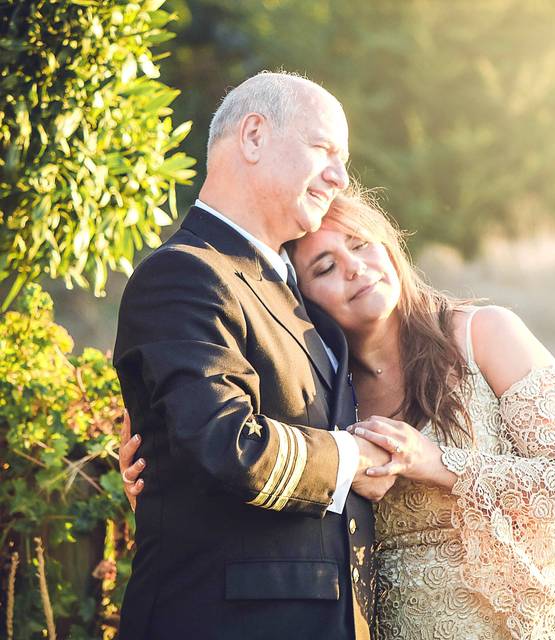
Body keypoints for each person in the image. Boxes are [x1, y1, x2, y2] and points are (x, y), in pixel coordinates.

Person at [121, 188, 555, 639]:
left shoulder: (485, 334)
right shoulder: (318, 394)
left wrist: (436, 463)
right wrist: (165, 480)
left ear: (389, 247)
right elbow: (246, 461)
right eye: (326, 267)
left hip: (529, 624)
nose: (355, 268)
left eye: (361, 244)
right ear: (302, 301)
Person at [113, 71, 394, 640]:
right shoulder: (185, 274)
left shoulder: (297, 291)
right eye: (325, 150)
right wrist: (352, 460)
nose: (340, 177)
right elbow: (223, 443)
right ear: (254, 137)